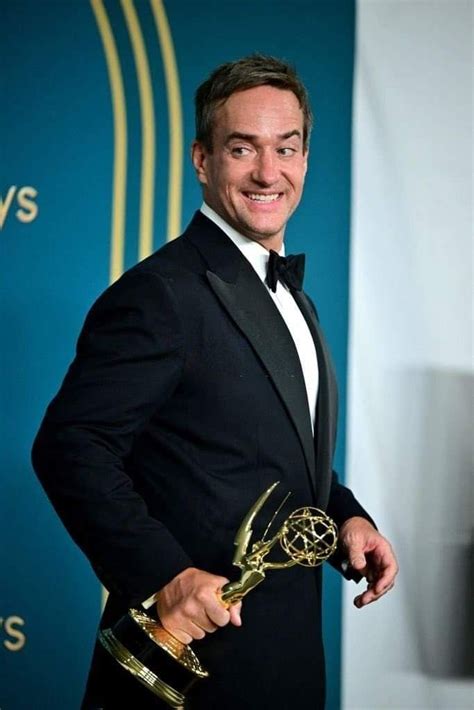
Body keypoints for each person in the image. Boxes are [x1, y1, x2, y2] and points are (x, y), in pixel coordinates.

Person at [32, 54, 398, 709]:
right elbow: (71, 445)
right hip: (189, 671)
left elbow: (259, 450)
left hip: (285, 664)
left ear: (306, 159)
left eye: (286, 148)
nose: (268, 171)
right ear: (202, 160)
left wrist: (345, 517)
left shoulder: (295, 300)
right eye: (242, 148)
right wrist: (167, 577)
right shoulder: (161, 294)